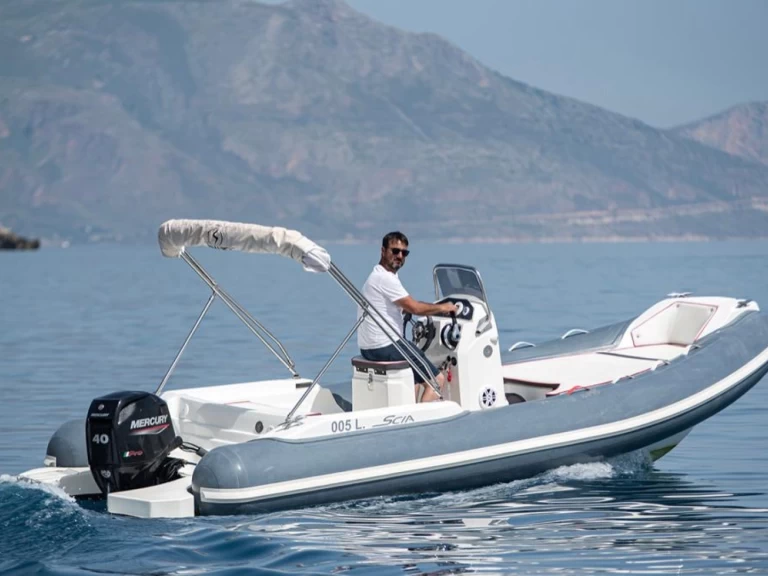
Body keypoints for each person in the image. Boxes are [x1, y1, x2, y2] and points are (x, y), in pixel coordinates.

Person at [357, 231, 458, 402]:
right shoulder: (385, 278)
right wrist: (444, 307)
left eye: (404, 253)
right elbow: (415, 307)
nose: (399, 256)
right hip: (385, 345)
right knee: (436, 380)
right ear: (383, 251)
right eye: (395, 251)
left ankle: (408, 413)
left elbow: (399, 306)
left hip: (369, 347)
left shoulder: (376, 275)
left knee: (415, 377)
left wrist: (421, 310)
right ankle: (419, 424)